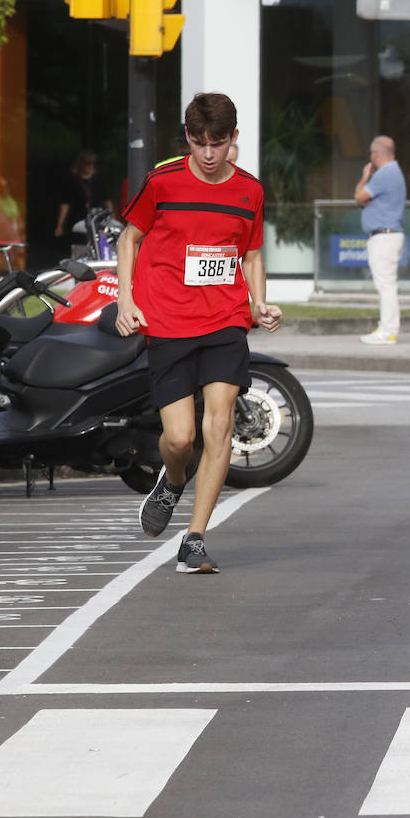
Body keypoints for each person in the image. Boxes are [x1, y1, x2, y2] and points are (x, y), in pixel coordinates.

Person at [115, 91, 283, 573]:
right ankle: (171, 482)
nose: (209, 155)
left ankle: (194, 538)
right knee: (181, 438)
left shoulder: (249, 191)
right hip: (167, 320)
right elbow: (131, 238)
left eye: (218, 143)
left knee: (219, 424)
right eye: (199, 142)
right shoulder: (163, 182)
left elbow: (250, 254)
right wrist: (126, 300)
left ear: (234, 139)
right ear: (187, 137)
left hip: (225, 319)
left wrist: (258, 302)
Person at [355, 135, 407, 345]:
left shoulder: (385, 173)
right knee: (387, 284)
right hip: (388, 234)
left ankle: (388, 330)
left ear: (375, 154)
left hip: (384, 236)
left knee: (386, 285)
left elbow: (359, 196)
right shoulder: (393, 171)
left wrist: (365, 176)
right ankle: (386, 328)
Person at [55, 150, 114, 246]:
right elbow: (65, 205)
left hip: (97, 220)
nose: (91, 166)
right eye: (88, 163)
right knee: (79, 246)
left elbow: (107, 202)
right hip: (77, 220)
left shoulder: (99, 180)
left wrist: (112, 220)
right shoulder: (72, 181)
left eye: (93, 164)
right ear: (81, 164)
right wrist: (60, 225)